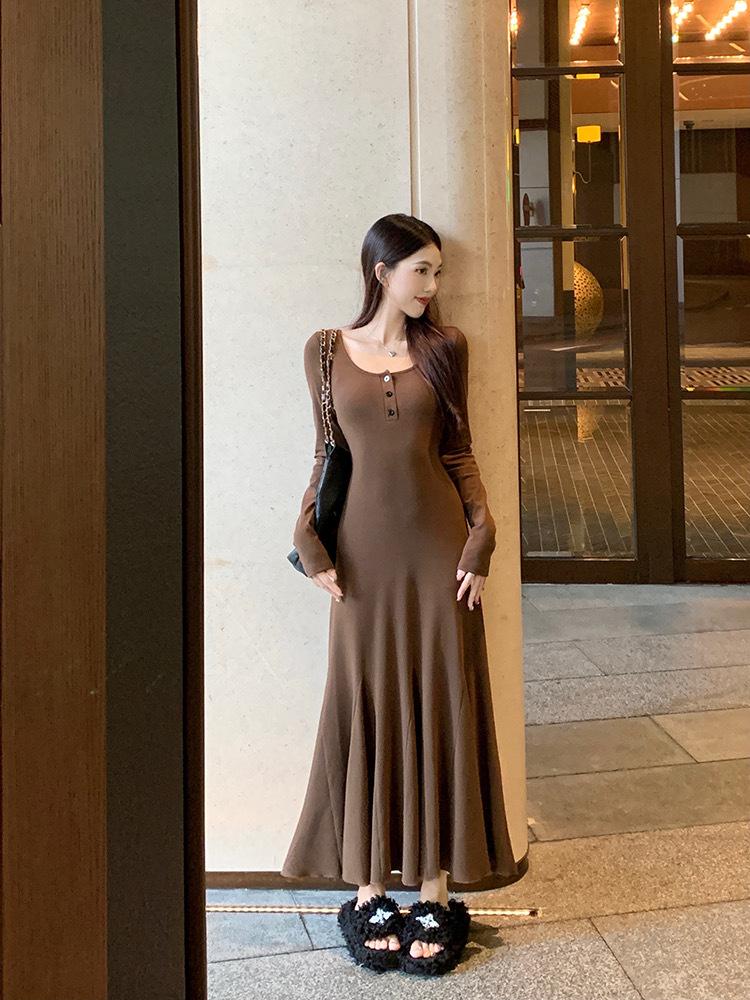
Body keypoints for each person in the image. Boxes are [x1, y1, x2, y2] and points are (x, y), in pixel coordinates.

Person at [281, 213, 517, 974]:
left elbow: (459, 452)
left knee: (441, 701)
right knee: (366, 703)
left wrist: (482, 536)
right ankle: (369, 890)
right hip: (361, 558)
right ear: (381, 271)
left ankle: (436, 891)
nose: (433, 286)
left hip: (439, 555)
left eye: (438, 272)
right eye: (422, 271)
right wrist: (307, 539)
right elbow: (326, 454)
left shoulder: (446, 348)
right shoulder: (325, 351)